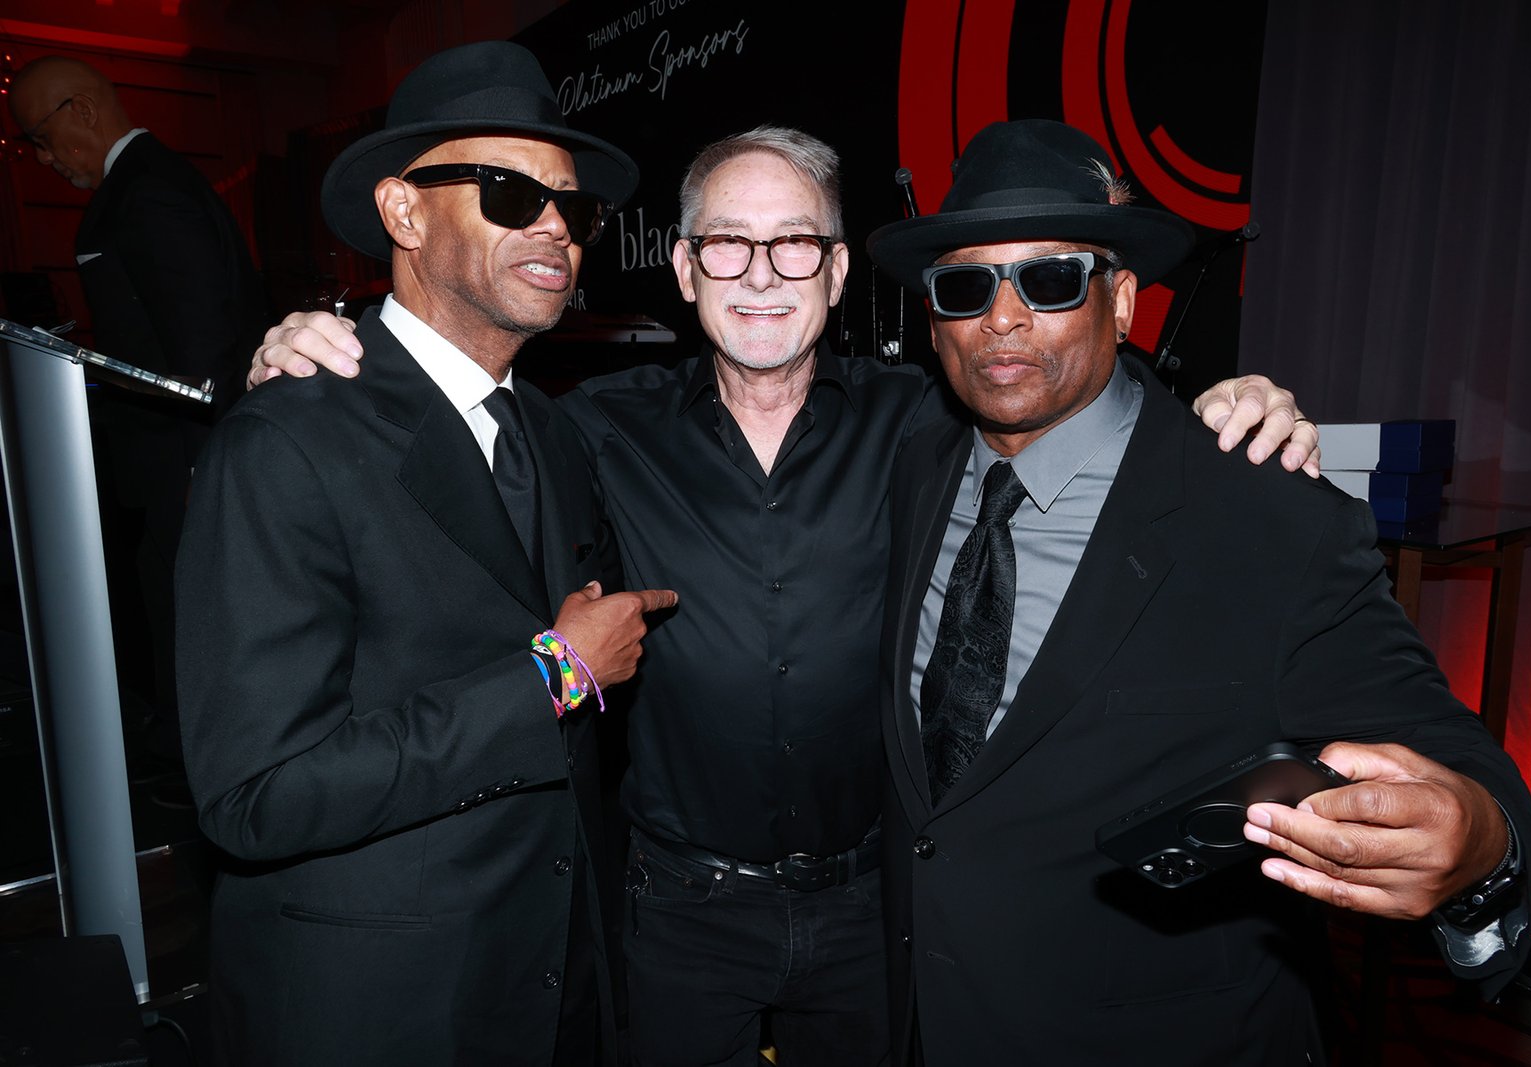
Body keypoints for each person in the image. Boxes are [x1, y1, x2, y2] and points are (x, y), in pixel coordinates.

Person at [252, 128, 1318, 1065]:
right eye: (727, 243)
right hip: (677, 908)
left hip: (877, 904)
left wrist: (1227, 404)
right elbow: (447, 424)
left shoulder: (931, 421)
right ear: (684, 268)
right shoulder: (590, 429)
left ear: (838, 269)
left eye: (796, 243)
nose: (760, 274)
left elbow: (1076, 405)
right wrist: (311, 348)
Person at [863, 119, 1531, 1065]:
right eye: (966, 287)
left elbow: (1449, 756)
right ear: (935, 321)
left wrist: (1478, 846)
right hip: (921, 1024)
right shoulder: (910, 467)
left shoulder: (1267, 515)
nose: (1003, 319)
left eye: (1051, 279)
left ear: (1122, 301)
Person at [174, 42, 674, 1066]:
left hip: (553, 985)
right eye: (510, 192)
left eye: (573, 209)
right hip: (383, 1005)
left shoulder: (553, 431)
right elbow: (256, 794)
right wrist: (555, 674)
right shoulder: (286, 439)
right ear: (403, 212)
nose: (554, 227)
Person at [8, 56, 268, 778]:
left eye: (40, 138)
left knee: (190, 620)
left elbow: (203, 352)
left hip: (183, 461)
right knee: (175, 613)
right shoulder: (150, 183)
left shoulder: (146, 192)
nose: (43, 158)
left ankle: (202, 770)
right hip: (174, 459)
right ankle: (192, 760)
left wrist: (203, 466)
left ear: (83, 112)